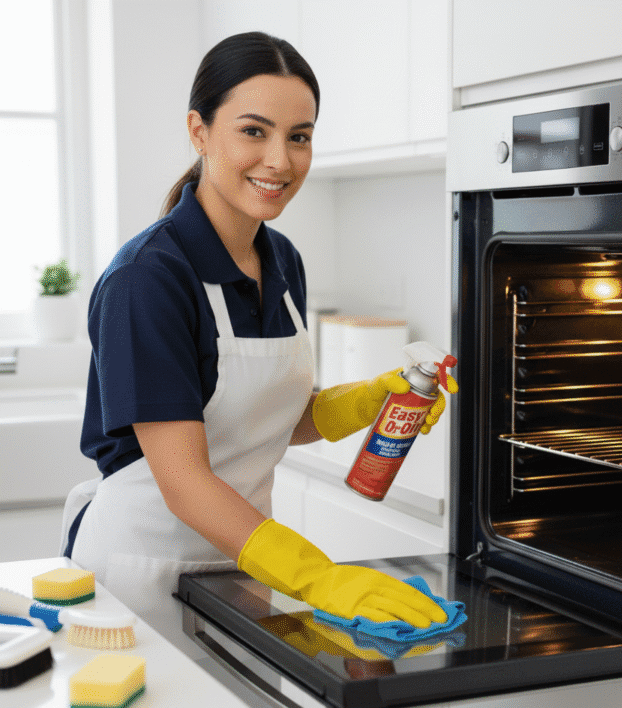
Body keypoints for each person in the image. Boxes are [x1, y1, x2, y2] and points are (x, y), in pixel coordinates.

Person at [60, 32, 455, 656]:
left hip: (239, 569)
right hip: (138, 580)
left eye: (299, 136)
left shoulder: (282, 261)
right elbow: (184, 479)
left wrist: (374, 398)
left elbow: (265, 420)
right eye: (254, 131)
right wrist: (319, 576)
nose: (280, 159)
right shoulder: (149, 279)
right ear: (200, 131)